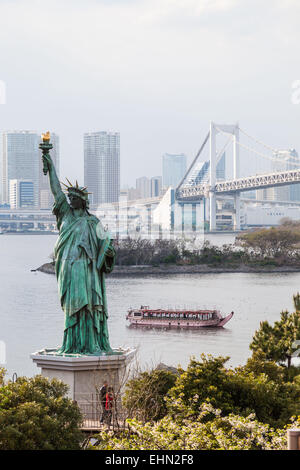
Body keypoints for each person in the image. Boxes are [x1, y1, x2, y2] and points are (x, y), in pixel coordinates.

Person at [42, 150, 115, 355]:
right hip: (66, 266)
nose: (70, 200)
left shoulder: (94, 222)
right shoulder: (64, 214)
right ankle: (72, 342)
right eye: (70, 197)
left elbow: (107, 246)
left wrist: (108, 251)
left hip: (86, 268)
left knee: (87, 304)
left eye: (74, 198)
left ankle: (88, 343)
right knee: (71, 306)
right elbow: (56, 190)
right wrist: (50, 165)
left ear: (83, 201)